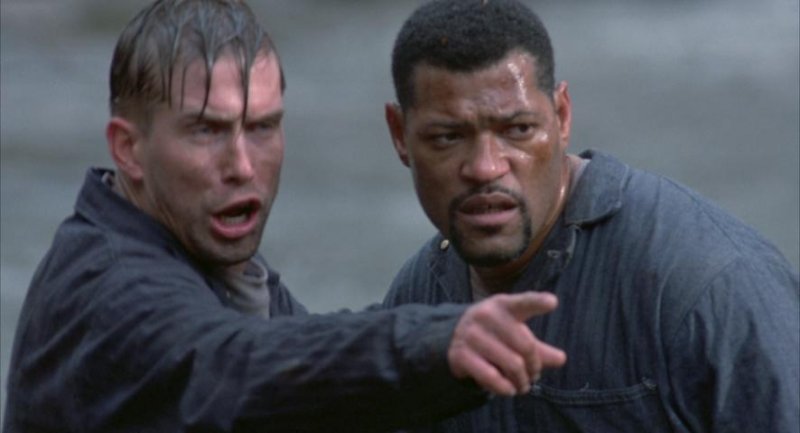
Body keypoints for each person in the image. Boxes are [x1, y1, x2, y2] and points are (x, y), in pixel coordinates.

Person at [2, 1, 569, 432]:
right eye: (206, 130)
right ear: (128, 150)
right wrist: (435, 342)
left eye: (262, 127)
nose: (242, 165)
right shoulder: (107, 286)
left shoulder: (223, 268)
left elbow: (307, 367)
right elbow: (236, 365)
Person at [382, 0, 800, 432]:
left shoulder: (707, 284)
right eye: (447, 137)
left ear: (562, 116)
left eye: (518, 130)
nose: (486, 167)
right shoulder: (416, 301)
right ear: (399, 135)